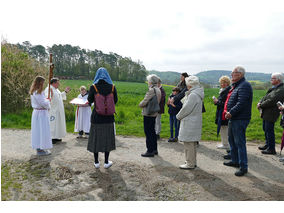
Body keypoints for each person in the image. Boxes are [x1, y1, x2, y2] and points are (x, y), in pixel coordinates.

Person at [223, 66, 253, 177]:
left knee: (240, 142)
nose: (231, 75)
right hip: (234, 118)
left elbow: (241, 103)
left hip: (240, 118)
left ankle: (243, 167)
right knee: (232, 140)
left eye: (233, 73)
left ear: (240, 74)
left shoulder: (244, 85)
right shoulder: (237, 85)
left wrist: (231, 112)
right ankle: (235, 160)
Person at [87, 67, 118, 169]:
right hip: (109, 118)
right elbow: (115, 101)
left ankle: (96, 162)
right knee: (107, 139)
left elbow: (90, 100)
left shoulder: (93, 87)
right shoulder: (112, 87)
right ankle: (106, 162)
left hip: (97, 118)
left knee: (96, 139)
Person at [176, 76, 204, 169]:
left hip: (190, 122)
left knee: (188, 143)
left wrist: (178, 116)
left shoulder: (193, 95)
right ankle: (192, 161)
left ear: (190, 85)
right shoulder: (196, 93)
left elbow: (186, 109)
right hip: (193, 121)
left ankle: (190, 163)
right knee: (192, 143)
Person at [257, 73, 284, 155]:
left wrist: (261, 105)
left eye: (273, 78)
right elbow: (266, 96)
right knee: (265, 128)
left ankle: (271, 149)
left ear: (278, 80)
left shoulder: (281, 89)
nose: (271, 80)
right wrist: (260, 102)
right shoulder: (275, 88)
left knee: (269, 130)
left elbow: (272, 100)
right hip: (267, 111)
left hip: (272, 112)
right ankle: (267, 144)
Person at [139, 74, 161, 157]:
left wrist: (140, 104)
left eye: (148, 81)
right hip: (154, 112)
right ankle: (154, 149)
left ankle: (149, 150)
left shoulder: (152, 90)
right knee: (152, 131)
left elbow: (145, 101)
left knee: (148, 132)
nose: (148, 82)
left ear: (151, 82)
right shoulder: (158, 89)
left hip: (148, 113)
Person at [30, 76, 52, 156]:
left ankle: (41, 147)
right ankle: (40, 149)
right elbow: (43, 103)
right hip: (40, 114)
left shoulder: (35, 91)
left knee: (40, 130)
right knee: (41, 131)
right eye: (43, 82)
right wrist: (48, 101)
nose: (43, 84)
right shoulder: (37, 92)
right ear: (40, 82)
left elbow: (42, 101)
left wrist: (46, 100)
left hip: (39, 113)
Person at [45, 77, 70, 144]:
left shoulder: (56, 90)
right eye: (58, 83)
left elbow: (59, 96)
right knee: (52, 124)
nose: (59, 84)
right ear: (54, 83)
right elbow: (47, 98)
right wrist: (50, 97)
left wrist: (65, 92)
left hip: (58, 111)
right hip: (53, 110)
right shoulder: (49, 89)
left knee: (58, 124)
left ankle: (57, 136)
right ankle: (51, 137)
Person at [213, 76, 231, 150]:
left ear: (227, 83)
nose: (222, 84)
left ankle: (226, 144)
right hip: (221, 111)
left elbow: (226, 103)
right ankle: (224, 143)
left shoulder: (227, 91)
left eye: (224, 82)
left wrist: (217, 102)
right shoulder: (223, 90)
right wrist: (216, 102)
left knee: (224, 128)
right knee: (223, 128)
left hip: (224, 112)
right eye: (221, 83)